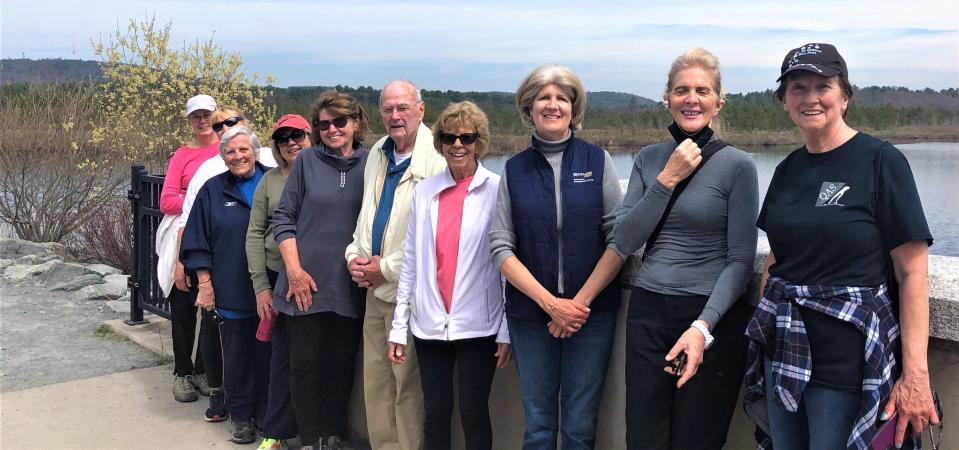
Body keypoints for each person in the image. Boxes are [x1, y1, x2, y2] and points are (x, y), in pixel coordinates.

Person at [744, 43, 938, 450]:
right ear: (783, 101)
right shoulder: (786, 170)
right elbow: (777, 258)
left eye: (823, 86)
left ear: (844, 96)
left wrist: (915, 374)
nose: (810, 98)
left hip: (849, 367)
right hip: (786, 357)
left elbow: (912, 272)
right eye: (798, 87)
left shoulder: (881, 161)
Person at [614, 48, 758, 450]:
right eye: (681, 90)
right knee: (645, 436)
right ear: (668, 99)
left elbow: (740, 259)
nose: (691, 98)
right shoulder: (648, 159)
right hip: (649, 311)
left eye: (701, 90)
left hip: (709, 316)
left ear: (717, 102)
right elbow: (624, 240)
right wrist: (667, 179)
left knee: (697, 438)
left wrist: (703, 324)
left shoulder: (738, 165)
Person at [489, 65, 624, 449]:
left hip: (590, 317)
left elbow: (618, 238)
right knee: (539, 424)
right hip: (531, 318)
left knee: (580, 425)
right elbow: (501, 247)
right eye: (543, 98)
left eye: (562, 98)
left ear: (573, 107)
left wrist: (576, 306)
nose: (553, 105)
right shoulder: (513, 169)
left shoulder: (598, 162)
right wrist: (551, 305)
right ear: (529, 108)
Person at [387, 101, 512, 450]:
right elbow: (410, 262)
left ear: (479, 142)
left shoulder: (498, 190)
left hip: (479, 325)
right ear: (439, 142)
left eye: (467, 137)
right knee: (436, 412)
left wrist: (506, 329)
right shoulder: (424, 192)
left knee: (474, 413)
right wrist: (399, 326)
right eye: (449, 137)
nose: (458, 145)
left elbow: (506, 265)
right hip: (429, 325)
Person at [345, 80, 447, 450]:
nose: (394, 116)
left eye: (402, 107)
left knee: (407, 388)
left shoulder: (437, 159)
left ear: (421, 109)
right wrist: (354, 258)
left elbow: (433, 238)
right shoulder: (378, 153)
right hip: (373, 291)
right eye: (387, 109)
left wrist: (384, 268)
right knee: (376, 384)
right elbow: (366, 217)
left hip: (410, 297)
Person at [271, 91, 370, 450]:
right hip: (305, 282)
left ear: (355, 122)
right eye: (324, 124)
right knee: (304, 364)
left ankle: (334, 433)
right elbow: (283, 218)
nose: (331, 129)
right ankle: (310, 438)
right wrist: (295, 271)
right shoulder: (307, 161)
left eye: (339, 122)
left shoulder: (372, 163)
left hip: (349, 282)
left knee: (340, 363)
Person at [179, 106, 278, 424]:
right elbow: (196, 242)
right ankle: (240, 416)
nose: (237, 156)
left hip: (272, 287)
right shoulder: (213, 190)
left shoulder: (274, 183)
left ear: (256, 151)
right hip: (231, 288)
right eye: (230, 151)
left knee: (267, 354)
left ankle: (265, 413)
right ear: (224, 157)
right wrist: (205, 284)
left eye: (243, 150)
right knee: (234, 356)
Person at [244, 114, 311, 450]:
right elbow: (255, 233)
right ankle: (276, 431)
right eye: (283, 138)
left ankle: (315, 431)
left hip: (316, 279)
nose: (291, 142)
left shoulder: (326, 174)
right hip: (276, 274)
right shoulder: (269, 180)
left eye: (297, 135)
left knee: (311, 357)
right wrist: (261, 286)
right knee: (280, 357)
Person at [157, 94, 218, 403]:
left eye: (207, 114)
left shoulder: (229, 148)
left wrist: (190, 196)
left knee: (210, 309)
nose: (202, 120)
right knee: (183, 308)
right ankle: (182, 373)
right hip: (185, 238)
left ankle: (204, 370)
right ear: (190, 121)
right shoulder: (182, 155)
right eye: (196, 116)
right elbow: (166, 200)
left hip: (216, 240)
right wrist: (198, 201)